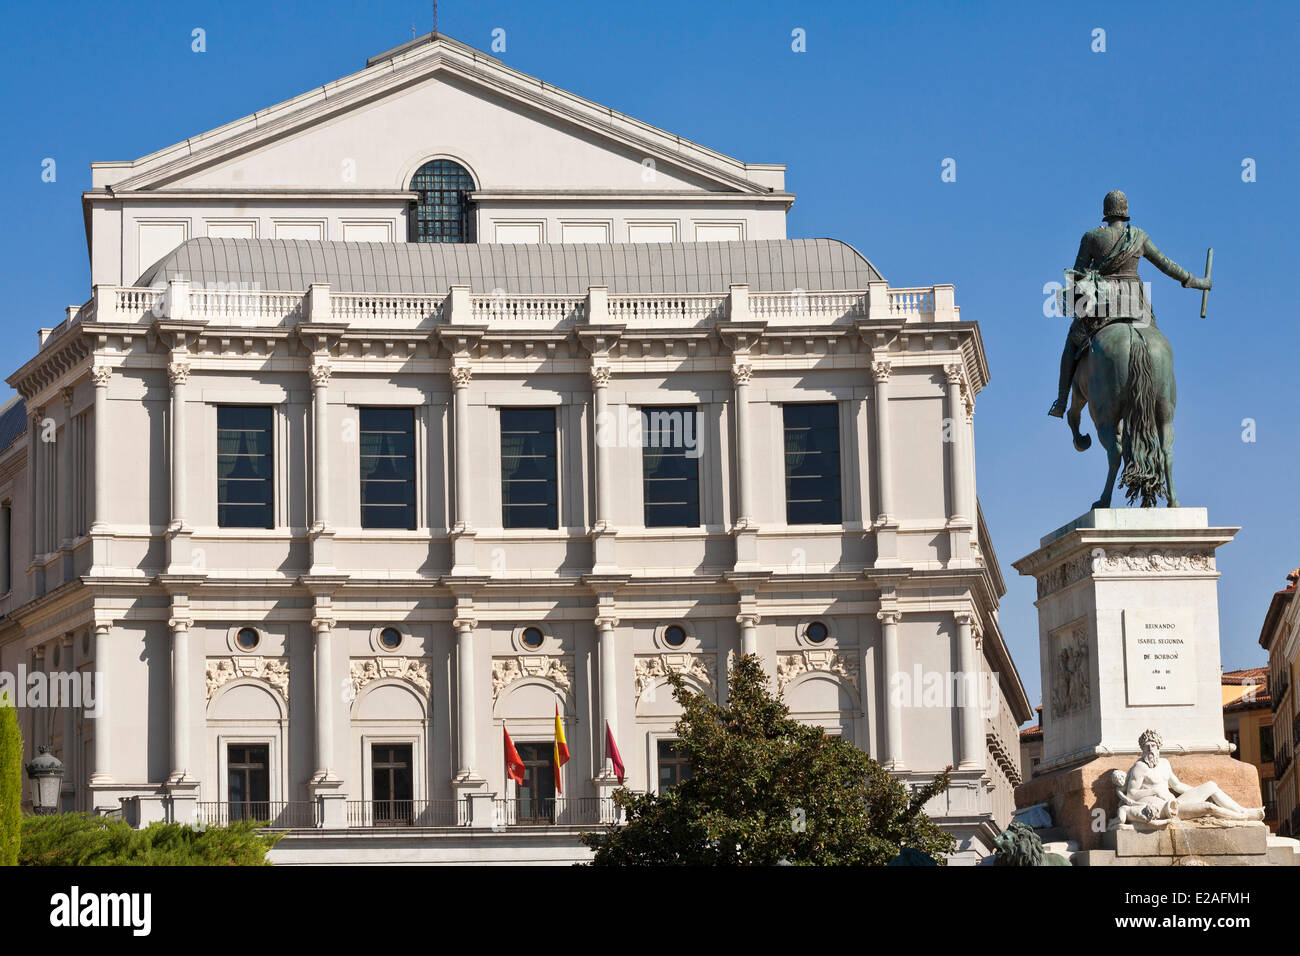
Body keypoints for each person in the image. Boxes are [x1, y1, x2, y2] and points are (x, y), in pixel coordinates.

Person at [1048, 190, 1211, 418]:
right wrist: (1195, 281)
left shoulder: (1092, 237)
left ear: (1105, 212)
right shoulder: (1139, 236)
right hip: (1137, 305)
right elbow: (1166, 264)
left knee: (1071, 342)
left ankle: (1061, 402)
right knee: (1153, 336)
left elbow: (1078, 276)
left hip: (1103, 305)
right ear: (1125, 212)